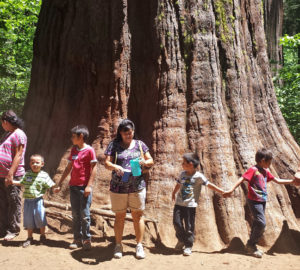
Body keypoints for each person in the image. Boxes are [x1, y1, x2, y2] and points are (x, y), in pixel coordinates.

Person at [223, 148, 295, 258]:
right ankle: (251, 244)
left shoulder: (265, 172)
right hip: (254, 201)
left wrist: (292, 182)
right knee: (262, 223)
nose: (270, 164)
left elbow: (278, 180)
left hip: (262, 201)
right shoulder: (253, 170)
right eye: (269, 162)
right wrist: (231, 190)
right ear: (262, 160)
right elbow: (242, 179)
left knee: (257, 223)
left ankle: (250, 246)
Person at [104, 119, 154, 259]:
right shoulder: (114, 145)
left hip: (137, 186)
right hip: (118, 187)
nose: (128, 136)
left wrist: (144, 161)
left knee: (137, 215)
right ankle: (118, 245)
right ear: (120, 132)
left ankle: (139, 245)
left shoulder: (140, 144)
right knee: (119, 216)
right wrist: (115, 167)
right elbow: (106, 163)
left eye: (130, 133)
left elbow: (151, 160)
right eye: (126, 133)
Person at [172, 152, 225, 256]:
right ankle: (181, 240)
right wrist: (174, 193)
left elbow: (209, 185)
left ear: (191, 164)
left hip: (190, 206)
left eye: (184, 163)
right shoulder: (182, 174)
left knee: (189, 226)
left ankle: (188, 246)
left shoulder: (198, 176)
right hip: (179, 204)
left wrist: (221, 191)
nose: (182, 165)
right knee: (176, 222)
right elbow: (178, 184)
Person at [53, 125, 97, 250]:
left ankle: (87, 239)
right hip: (73, 186)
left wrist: (89, 186)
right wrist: (60, 183)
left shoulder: (89, 150)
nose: (71, 138)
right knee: (76, 214)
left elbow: (94, 168)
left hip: (84, 187)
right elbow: (69, 167)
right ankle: (77, 239)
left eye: (73, 136)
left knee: (85, 214)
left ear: (81, 136)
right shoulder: (74, 150)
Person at [6, 154, 55, 247]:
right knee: (28, 220)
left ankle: (42, 236)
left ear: (42, 164)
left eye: (37, 162)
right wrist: (12, 182)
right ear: (30, 164)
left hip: (38, 201)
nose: (35, 164)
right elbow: (21, 183)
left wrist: (56, 188)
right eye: (33, 162)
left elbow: (51, 184)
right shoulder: (27, 174)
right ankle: (29, 237)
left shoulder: (44, 175)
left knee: (40, 218)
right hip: (28, 201)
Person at [0, 110, 27, 241]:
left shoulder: (19, 134)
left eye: (2, 122)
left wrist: (10, 174)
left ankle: (13, 229)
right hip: (2, 174)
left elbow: (18, 155)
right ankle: (3, 228)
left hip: (12, 175)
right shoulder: (8, 134)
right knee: (3, 202)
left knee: (13, 201)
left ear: (5, 122)